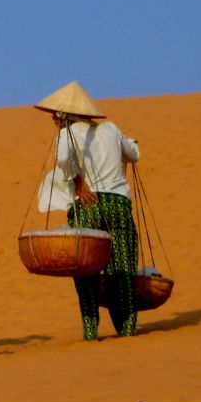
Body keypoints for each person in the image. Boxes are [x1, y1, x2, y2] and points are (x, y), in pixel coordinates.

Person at [35, 82, 141, 340]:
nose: (53, 118)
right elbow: (134, 154)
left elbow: (61, 159)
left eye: (55, 114)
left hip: (88, 205)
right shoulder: (111, 129)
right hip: (118, 204)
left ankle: (91, 331)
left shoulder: (67, 134)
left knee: (86, 269)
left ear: (65, 115)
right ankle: (128, 329)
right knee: (124, 266)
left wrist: (78, 180)